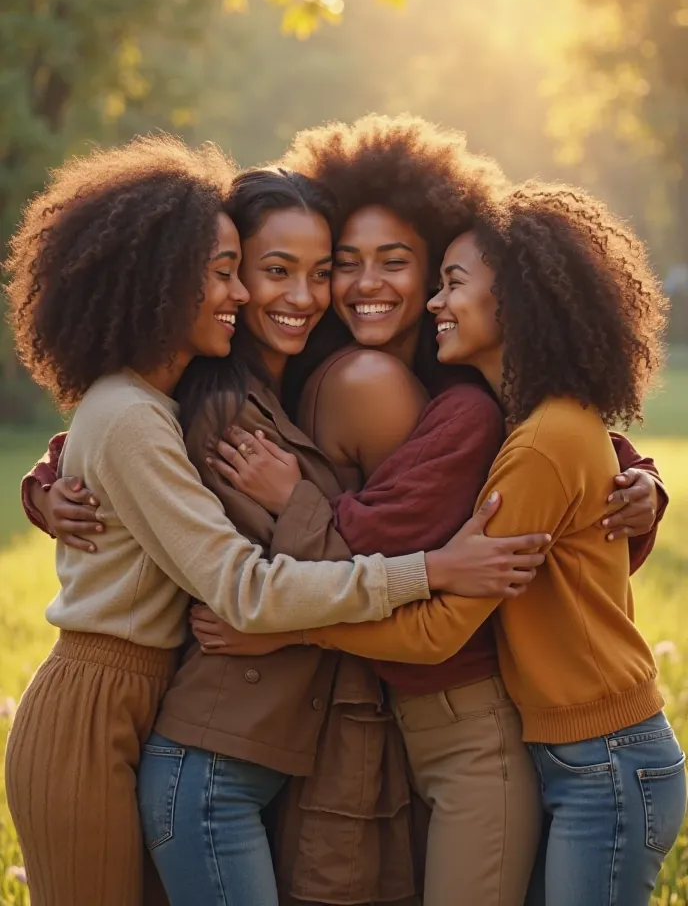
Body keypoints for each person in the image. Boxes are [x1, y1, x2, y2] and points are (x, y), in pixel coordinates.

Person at [5, 137, 498, 906]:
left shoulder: (302, 369)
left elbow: (536, 434)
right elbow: (239, 581)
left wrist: (635, 475)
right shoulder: (200, 399)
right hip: (157, 718)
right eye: (253, 272)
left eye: (319, 270)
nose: (300, 295)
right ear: (174, 278)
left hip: (196, 717)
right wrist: (49, 484)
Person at [192, 115, 669, 906]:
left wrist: (643, 485)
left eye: (402, 264)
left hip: (476, 710)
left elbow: (548, 469)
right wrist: (57, 471)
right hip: (388, 713)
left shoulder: (467, 399)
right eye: (345, 264)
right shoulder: (354, 359)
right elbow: (156, 418)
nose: (363, 284)